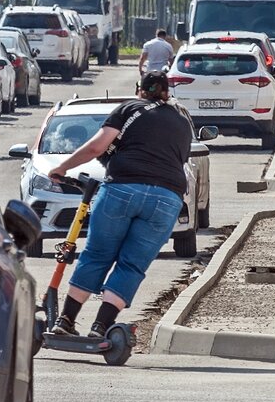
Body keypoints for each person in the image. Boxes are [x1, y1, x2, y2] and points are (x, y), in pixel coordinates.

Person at [47, 71, 192, 337]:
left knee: (98, 254)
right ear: (166, 92)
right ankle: (101, 326)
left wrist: (62, 167)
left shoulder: (129, 108)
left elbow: (96, 147)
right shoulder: (182, 120)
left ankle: (65, 320)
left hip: (122, 189)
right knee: (132, 264)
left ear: (141, 90)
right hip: (166, 198)